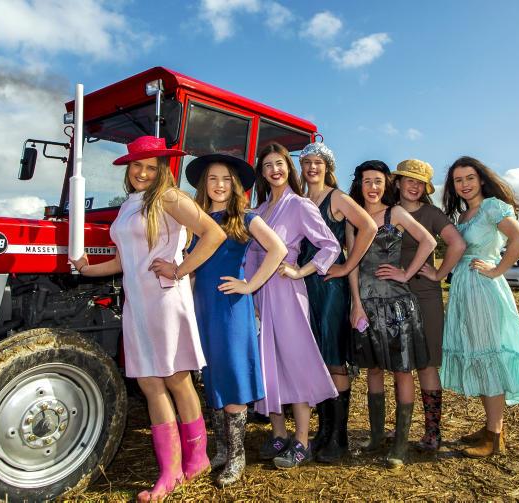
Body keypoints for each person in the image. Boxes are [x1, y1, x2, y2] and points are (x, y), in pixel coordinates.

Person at [69, 136, 226, 501]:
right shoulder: (128, 205)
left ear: (162, 171)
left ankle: (195, 460)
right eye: (137, 165)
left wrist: (180, 269)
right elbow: (123, 261)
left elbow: (213, 233)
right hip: (137, 303)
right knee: (149, 383)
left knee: (176, 379)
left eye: (151, 167)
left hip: (165, 298)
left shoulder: (169, 197)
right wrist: (87, 269)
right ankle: (172, 468)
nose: (142, 173)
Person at [184, 153, 287, 486]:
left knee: (232, 375)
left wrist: (250, 285)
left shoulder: (245, 217)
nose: (219, 185)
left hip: (230, 307)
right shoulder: (196, 218)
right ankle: (221, 449)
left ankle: (237, 456)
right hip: (202, 306)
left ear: (236, 185)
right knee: (211, 375)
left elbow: (278, 249)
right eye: (212, 179)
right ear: (204, 184)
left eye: (226, 179)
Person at [245, 142, 341, 469]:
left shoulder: (300, 205)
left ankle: (302, 440)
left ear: (289, 168)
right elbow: (250, 256)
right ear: (262, 172)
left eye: (280, 163)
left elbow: (330, 245)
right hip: (259, 293)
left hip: (287, 291)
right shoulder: (257, 210)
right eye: (268, 165)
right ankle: (278, 434)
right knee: (267, 363)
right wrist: (250, 294)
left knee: (294, 361)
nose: (275, 170)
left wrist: (301, 270)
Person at [440, 156, 519, 458]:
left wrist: (498, 270)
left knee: (489, 355)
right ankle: (490, 428)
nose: (464, 185)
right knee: (478, 353)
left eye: (469, 178)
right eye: (458, 180)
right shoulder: (463, 215)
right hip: (464, 288)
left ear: (481, 179)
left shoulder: (492, 207)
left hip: (483, 289)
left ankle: (495, 437)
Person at [347, 160, 436, 468]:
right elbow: (352, 264)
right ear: (359, 185)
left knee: (401, 370)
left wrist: (406, 273)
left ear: (386, 184)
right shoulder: (354, 217)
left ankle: (400, 444)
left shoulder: (394, 213)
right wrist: (356, 303)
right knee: (373, 370)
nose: (372, 187)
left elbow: (429, 241)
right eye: (367, 181)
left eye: (378, 181)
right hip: (367, 304)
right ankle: (375, 437)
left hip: (397, 305)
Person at [297, 142, 378, 463]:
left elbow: (369, 227)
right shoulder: (300, 199)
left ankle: (339, 437)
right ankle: (323, 430)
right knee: (315, 356)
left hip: (331, 285)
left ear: (327, 166)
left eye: (318, 162)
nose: (312, 167)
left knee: (333, 356)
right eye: (306, 162)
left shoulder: (337, 198)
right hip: (305, 283)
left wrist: (346, 266)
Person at [391, 159, 466, 451]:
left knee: (427, 363)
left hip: (425, 296)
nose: (415, 186)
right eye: (409, 180)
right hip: (393, 297)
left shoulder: (431, 214)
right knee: (400, 366)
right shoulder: (387, 211)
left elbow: (457, 244)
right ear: (398, 182)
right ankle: (401, 432)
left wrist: (439, 273)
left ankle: (432, 433)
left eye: (420, 183)